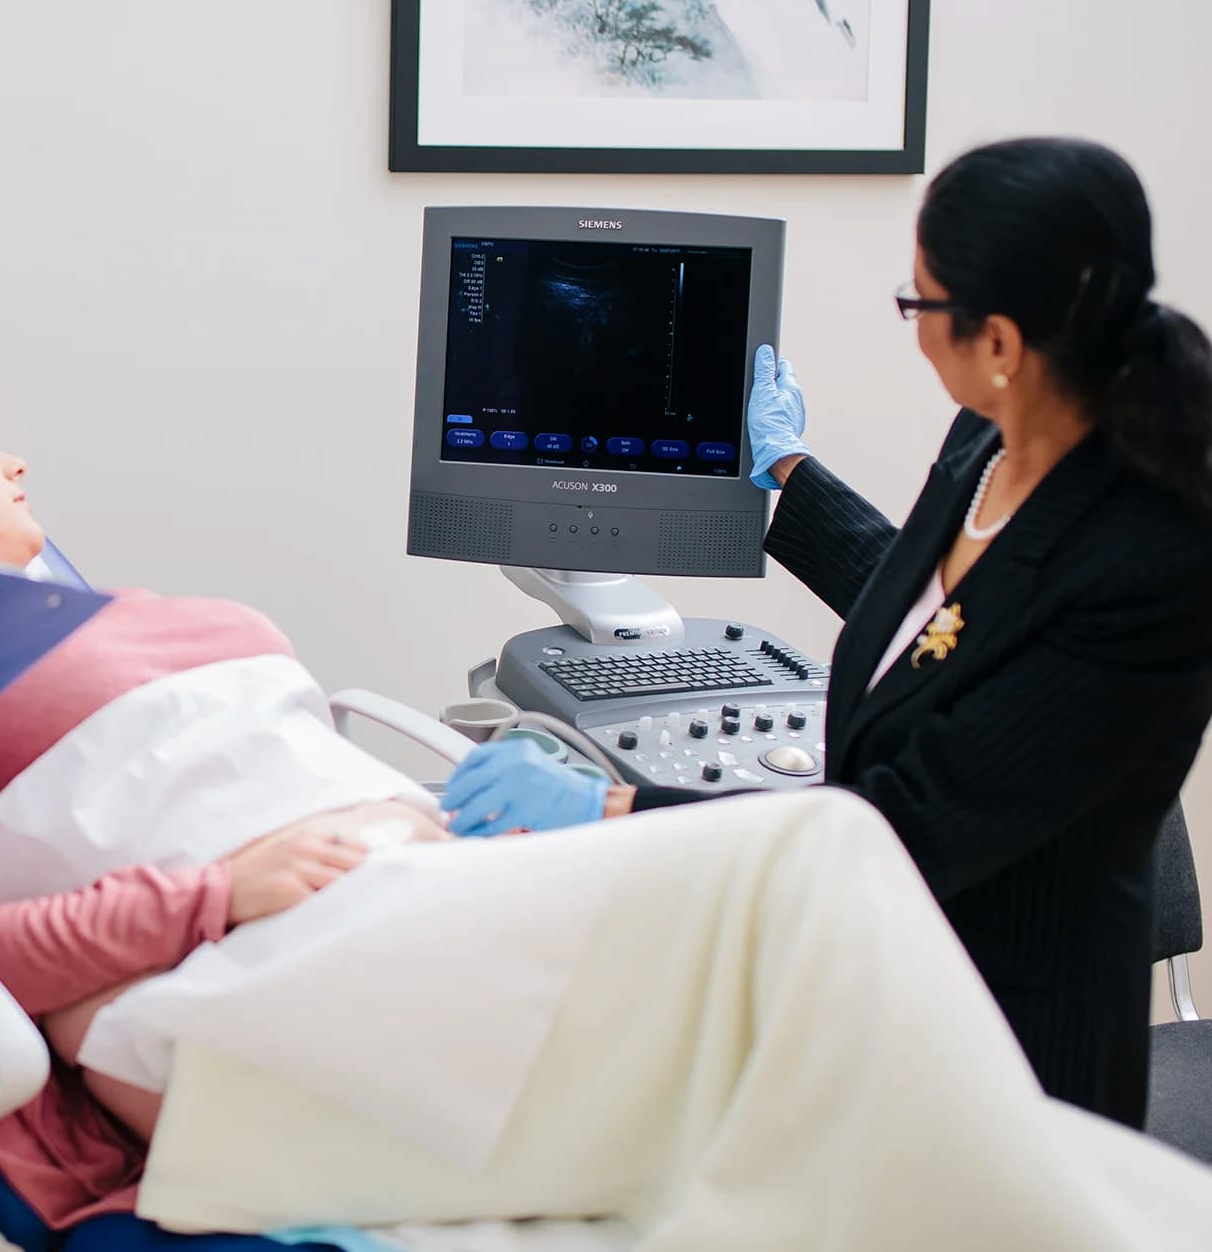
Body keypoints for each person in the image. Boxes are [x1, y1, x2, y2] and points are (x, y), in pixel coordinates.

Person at [0, 380, 1212, 1250]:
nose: (17, 455)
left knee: (787, 1009)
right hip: (255, 985)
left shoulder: (109, 610)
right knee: (820, 850)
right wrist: (222, 892)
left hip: (411, 901)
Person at [447, 137, 1212, 1129]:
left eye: (919, 303)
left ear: (1000, 343)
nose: (911, 327)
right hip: (871, 981)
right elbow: (937, 616)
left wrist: (614, 809)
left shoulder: (1150, 560)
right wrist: (789, 472)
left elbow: (896, 830)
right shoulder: (992, 436)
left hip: (1007, 1052)